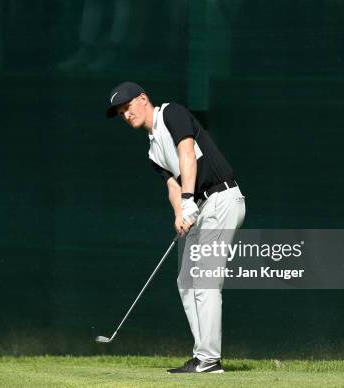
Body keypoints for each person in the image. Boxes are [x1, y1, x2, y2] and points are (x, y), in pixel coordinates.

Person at [106, 81, 246, 374]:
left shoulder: (172, 113)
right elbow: (172, 183)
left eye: (128, 108)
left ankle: (208, 360)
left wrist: (188, 199)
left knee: (204, 280)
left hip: (221, 198)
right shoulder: (152, 151)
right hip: (199, 206)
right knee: (186, 280)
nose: (126, 115)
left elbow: (186, 152)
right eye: (121, 114)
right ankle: (203, 356)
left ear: (143, 99)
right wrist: (179, 213)